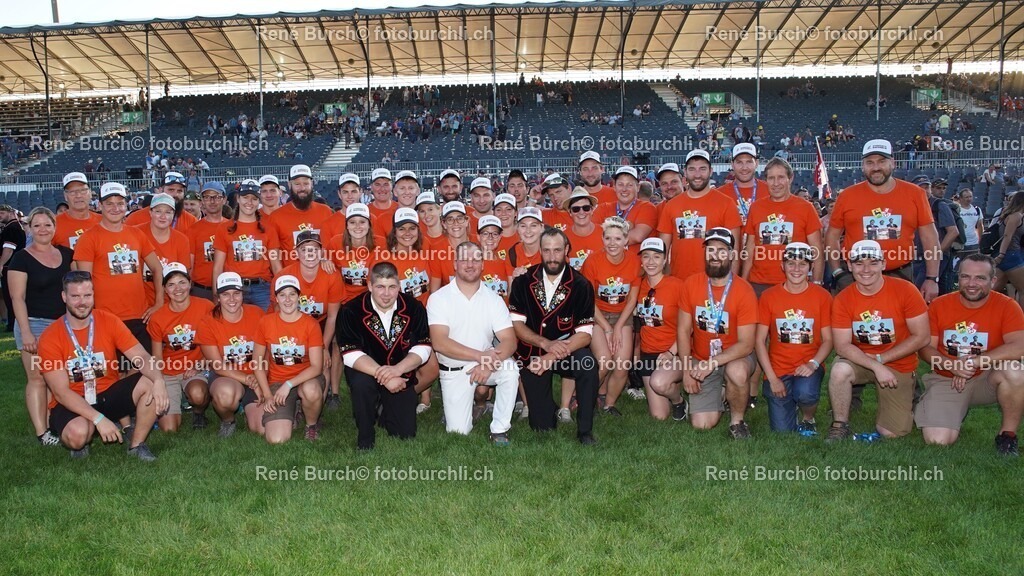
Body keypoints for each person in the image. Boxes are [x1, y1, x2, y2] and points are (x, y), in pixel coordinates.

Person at [37, 270, 169, 461]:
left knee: (150, 382)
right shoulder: (50, 336)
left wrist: (158, 380)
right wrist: (98, 419)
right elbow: (61, 393)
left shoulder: (108, 320)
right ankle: (85, 435)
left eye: (87, 295)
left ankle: (137, 446)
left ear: (93, 295)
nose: (82, 302)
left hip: (107, 393)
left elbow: (141, 355)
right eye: (75, 296)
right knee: (78, 435)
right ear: (64, 297)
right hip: (73, 399)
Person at [915, 254, 1024, 456]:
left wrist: (975, 362)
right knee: (937, 440)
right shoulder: (939, 305)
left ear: (993, 280)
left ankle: (1007, 436)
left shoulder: (1007, 306)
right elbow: (925, 349)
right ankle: (946, 407)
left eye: (980, 278)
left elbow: (1020, 345)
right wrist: (951, 365)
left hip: (986, 378)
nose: (971, 284)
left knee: (1016, 372)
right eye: (965, 277)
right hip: (946, 379)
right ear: (958, 277)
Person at [827, 240, 930, 440]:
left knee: (891, 433)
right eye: (859, 263)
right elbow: (842, 346)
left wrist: (882, 359)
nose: (866, 269)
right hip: (861, 359)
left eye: (873, 262)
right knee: (840, 369)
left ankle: (914, 396)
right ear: (849, 266)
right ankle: (839, 424)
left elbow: (922, 336)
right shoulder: (843, 298)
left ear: (883, 264)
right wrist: (876, 365)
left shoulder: (906, 290)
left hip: (897, 362)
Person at [509, 228, 600, 445]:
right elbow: (516, 325)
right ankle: (548, 409)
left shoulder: (581, 285)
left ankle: (585, 430)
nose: (552, 257)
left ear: (567, 250)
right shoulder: (523, 281)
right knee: (542, 427)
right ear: (540, 251)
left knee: (588, 364)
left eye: (557, 250)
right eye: (547, 251)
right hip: (532, 352)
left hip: (565, 351)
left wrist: (550, 355)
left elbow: (584, 335)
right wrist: (544, 343)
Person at [825, 139, 941, 302]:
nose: (876, 167)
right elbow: (832, 237)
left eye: (882, 161)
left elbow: (930, 238)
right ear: (863, 166)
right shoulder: (847, 196)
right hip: (855, 276)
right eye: (870, 162)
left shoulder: (915, 194)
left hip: (900, 274)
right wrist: (838, 273)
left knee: (900, 325)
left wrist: (932, 278)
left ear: (892, 163)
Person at [428, 242, 520, 444]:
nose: (470, 264)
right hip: (455, 369)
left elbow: (509, 341)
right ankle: (474, 401)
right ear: (455, 263)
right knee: (458, 433)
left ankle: (499, 430)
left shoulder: (493, 299)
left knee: (511, 370)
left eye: (475, 259)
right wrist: (481, 357)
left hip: (486, 363)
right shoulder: (438, 298)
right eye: (464, 259)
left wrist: (487, 362)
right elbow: (440, 342)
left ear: (483, 264)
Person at [337, 262, 432, 450]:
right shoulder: (351, 310)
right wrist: (385, 376)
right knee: (361, 384)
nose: (386, 294)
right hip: (365, 372)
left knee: (405, 434)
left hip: (400, 373)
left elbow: (424, 347)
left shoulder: (414, 307)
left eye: (392, 287)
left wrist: (397, 370)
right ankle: (365, 435)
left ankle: (382, 408)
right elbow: (350, 353)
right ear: (370, 286)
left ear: (399, 286)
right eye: (380, 287)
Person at [677, 228, 760, 437]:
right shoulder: (691, 284)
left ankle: (737, 422)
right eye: (710, 250)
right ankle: (723, 392)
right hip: (701, 357)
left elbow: (747, 344)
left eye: (722, 250)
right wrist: (687, 370)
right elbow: (683, 329)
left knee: (737, 372)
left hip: (735, 356)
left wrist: (713, 363)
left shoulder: (744, 290)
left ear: (732, 255)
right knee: (702, 424)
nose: (715, 255)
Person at [8, 207, 74, 445]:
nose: (43, 229)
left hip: (63, 327)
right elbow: (17, 298)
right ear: (29, 228)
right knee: (37, 378)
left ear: (55, 227)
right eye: (37, 225)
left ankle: (54, 423)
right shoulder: (21, 258)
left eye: (47, 225)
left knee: (60, 378)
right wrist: (26, 332)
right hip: (34, 325)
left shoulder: (67, 255)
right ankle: (42, 432)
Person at [73, 182, 164, 350]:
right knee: (114, 372)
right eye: (109, 203)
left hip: (139, 316)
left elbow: (157, 268)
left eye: (120, 203)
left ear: (126, 205)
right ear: (100, 205)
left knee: (140, 370)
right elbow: (84, 281)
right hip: (106, 317)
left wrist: (159, 302)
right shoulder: (89, 238)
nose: (115, 208)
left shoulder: (136, 234)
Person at [755, 243, 833, 434]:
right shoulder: (768, 296)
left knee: (805, 393)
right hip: (778, 368)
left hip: (807, 365)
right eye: (791, 263)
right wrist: (772, 378)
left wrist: (813, 364)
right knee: (782, 431)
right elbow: (759, 341)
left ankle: (808, 417)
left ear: (811, 267)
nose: (796, 269)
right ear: (782, 266)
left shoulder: (822, 296)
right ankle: (789, 401)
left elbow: (829, 340)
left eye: (802, 264)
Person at [253, 274, 326, 443]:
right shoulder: (266, 322)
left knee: (310, 390)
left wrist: (290, 384)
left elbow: (316, 366)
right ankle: (294, 410)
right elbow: (257, 362)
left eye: (292, 294)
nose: (287, 299)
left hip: (306, 378)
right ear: (276, 298)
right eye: (282, 295)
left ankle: (311, 425)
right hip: (277, 382)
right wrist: (267, 394)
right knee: (276, 439)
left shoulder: (311, 324)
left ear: (299, 297)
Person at [580, 217, 640, 416]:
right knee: (605, 360)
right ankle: (586, 399)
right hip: (598, 314)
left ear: (625, 240)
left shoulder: (634, 260)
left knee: (622, 364)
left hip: (623, 314)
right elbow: (589, 300)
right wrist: (607, 328)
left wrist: (618, 328)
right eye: (608, 238)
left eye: (617, 238)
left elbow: (632, 299)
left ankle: (609, 404)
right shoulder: (593, 261)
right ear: (602, 239)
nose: (612, 243)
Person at [146, 262, 215, 432]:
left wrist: (201, 364)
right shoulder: (158, 317)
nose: (178, 288)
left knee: (198, 394)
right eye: (171, 284)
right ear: (164, 289)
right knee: (169, 429)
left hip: (196, 368)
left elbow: (218, 342)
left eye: (182, 282)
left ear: (190, 284)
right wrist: (159, 381)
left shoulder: (206, 307)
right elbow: (157, 356)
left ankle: (198, 412)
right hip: (170, 371)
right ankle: (179, 399)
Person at [198, 272, 267, 438]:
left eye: (236, 293)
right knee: (225, 396)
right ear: (218, 297)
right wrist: (250, 381)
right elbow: (217, 366)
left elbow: (267, 353)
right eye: (225, 294)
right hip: (227, 376)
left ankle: (247, 406)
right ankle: (228, 420)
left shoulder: (257, 314)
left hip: (256, 373)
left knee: (261, 429)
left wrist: (261, 379)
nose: (232, 299)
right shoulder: (207, 322)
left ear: (243, 294)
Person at [741, 157, 824, 294]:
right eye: (771, 178)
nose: (776, 183)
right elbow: (750, 249)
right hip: (759, 284)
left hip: (795, 284)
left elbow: (817, 250)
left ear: (790, 179)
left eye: (780, 177)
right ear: (765, 180)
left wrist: (817, 283)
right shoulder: (756, 207)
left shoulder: (806, 208)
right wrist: (744, 282)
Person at [658, 149, 743, 279]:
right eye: (692, 169)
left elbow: (735, 251)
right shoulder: (671, 206)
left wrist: (731, 285)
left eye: (702, 169)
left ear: (711, 171)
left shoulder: (726, 203)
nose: (697, 175)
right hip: (679, 281)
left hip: (714, 282)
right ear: (685, 172)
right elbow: (662, 250)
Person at [632, 238, 687, 420]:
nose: (651, 262)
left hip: (674, 351)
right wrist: (636, 352)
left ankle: (678, 401)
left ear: (665, 260)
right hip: (649, 353)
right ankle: (675, 394)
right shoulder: (638, 286)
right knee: (659, 416)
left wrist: (672, 352)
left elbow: (689, 326)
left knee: (659, 383)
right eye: (646, 256)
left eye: (657, 257)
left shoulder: (678, 286)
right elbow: (637, 324)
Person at [212, 180, 280, 311]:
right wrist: (216, 295)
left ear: (258, 201)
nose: (249, 202)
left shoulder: (268, 229)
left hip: (262, 288)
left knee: (265, 326)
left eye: (254, 198)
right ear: (238, 198)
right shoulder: (224, 228)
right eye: (245, 197)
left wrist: (280, 290)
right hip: (233, 287)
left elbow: (275, 264)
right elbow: (217, 267)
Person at [266, 164, 334, 267]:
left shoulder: (325, 211)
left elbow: (331, 248)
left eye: (306, 183)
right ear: (289, 185)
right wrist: (282, 280)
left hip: (322, 277)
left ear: (312, 184)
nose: (302, 188)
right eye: (297, 184)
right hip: (292, 279)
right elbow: (274, 255)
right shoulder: (276, 216)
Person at [134, 193, 191, 309]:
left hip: (170, 304)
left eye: (168, 212)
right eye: (158, 211)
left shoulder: (181, 240)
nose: (163, 216)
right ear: (150, 213)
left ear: (174, 215)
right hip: (139, 304)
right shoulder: (136, 233)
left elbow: (183, 277)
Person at [592, 166, 657, 251]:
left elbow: (638, 236)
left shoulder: (647, 208)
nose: (624, 189)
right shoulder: (603, 208)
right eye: (620, 184)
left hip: (637, 263)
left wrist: (608, 236)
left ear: (637, 187)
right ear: (614, 187)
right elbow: (594, 236)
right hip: (607, 263)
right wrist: (629, 227)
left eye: (629, 185)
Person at [187, 181, 229, 301]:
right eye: (207, 197)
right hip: (201, 290)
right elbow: (190, 264)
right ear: (202, 202)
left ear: (224, 199)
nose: (212, 201)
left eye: (216, 197)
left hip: (228, 289)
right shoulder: (193, 229)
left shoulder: (232, 227)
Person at [714, 143, 768, 227]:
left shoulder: (770, 191)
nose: (744, 167)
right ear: (732, 164)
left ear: (756, 163)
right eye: (739, 162)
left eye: (749, 162)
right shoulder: (719, 195)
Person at [126, 172, 199, 232]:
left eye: (180, 191)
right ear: (160, 190)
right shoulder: (135, 219)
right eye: (171, 190)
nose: (175, 194)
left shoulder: (191, 221)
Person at [54, 172, 101, 250]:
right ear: (65, 196)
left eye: (83, 190)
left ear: (90, 193)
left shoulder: (104, 221)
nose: (78, 195)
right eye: (72, 192)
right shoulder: (53, 224)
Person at [993, 191, 1024, 307]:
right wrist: (1001, 254)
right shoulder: (1016, 216)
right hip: (1011, 255)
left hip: (1009, 255)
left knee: (993, 290)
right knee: (1023, 290)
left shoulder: (1011, 215)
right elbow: (1007, 236)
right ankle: (1021, 320)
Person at [562, 188, 604, 271]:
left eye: (586, 208)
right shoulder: (562, 237)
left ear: (592, 210)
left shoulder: (606, 233)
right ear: (570, 212)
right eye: (576, 209)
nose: (581, 212)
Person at [0, 204, 26, 331]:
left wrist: (0, 264)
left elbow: (8, 249)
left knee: (10, 296)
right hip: (16, 265)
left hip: (9, 266)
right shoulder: (17, 227)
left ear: (10, 213)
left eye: (2, 213)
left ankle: (12, 324)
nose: (0, 216)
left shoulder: (11, 228)